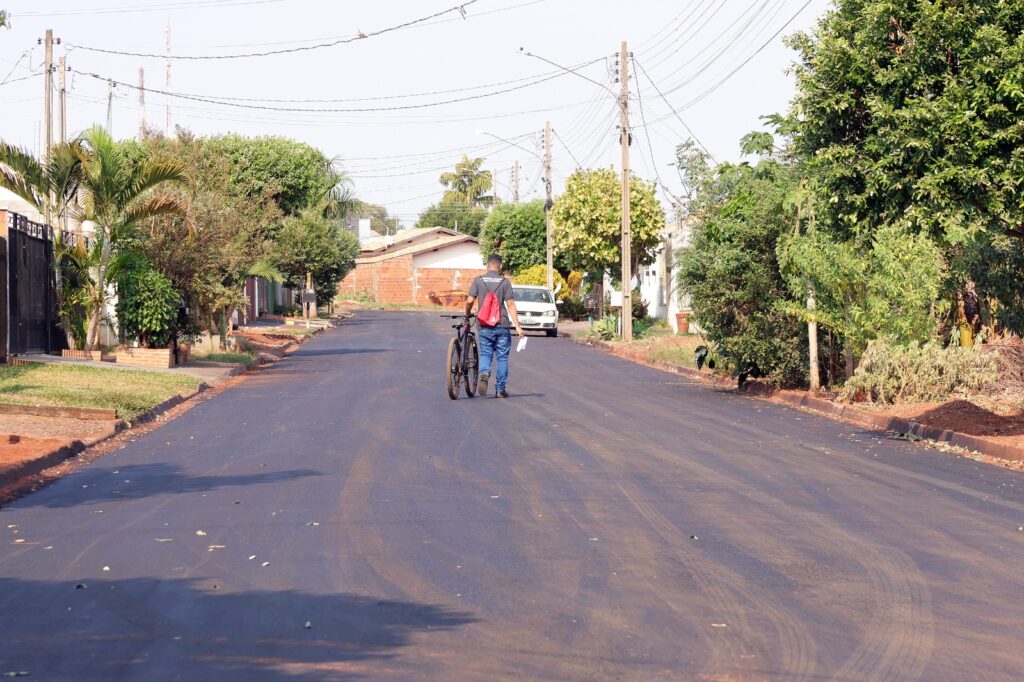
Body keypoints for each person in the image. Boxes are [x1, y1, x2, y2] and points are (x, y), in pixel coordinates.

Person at [465, 254, 525, 398]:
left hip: (484, 325)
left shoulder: (478, 280)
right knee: (502, 358)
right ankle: (500, 390)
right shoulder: (505, 282)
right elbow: (510, 304)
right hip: (502, 325)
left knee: (486, 353)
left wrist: (467, 313)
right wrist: (517, 326)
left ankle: (485, 373)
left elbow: (470, 300)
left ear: (487, 265)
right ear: (500, 266)